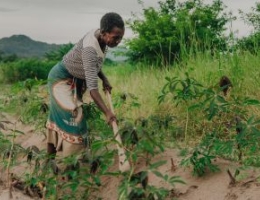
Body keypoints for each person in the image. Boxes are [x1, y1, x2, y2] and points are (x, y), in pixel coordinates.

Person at [45, 12, 125, 171]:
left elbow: (96, 65)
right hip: (60, 80)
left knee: (56, 117)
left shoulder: (103, 40)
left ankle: (51, 161)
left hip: (75, 80)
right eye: (115, 37)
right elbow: (93, 90)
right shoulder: (90, 48)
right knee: (75, 117)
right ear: (103, 33)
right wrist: (107, 112)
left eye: (120, 37)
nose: (118, 41)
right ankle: (70, 168)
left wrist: (105, 78)